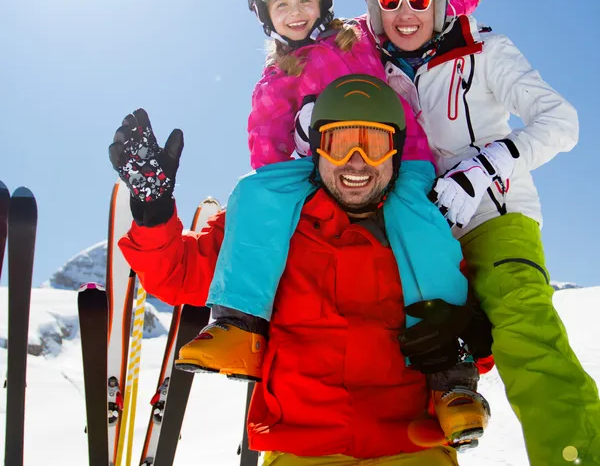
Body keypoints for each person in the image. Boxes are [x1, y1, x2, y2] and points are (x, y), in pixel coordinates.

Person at [110, 76, 494, 465]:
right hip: (303, 446)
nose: (356, 162)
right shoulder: (268, 225)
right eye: (339, 145)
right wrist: (154, 211)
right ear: (315, 151)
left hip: (413, 444)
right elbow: (177, 275)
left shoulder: (426, 227)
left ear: (395, 154)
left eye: (374, 146)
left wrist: (471, 329)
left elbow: (482, 330)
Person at [363, 0, 600, 465]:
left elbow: (563, 121)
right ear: (374, 9)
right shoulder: (366, 62)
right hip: (416, 230)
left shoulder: (483, 50)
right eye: (391, 1)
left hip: (495, 216)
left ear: (441, 5)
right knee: (409, 348)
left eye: (420, 1)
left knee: (523, 329)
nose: (406, 14)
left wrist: (488, 165)